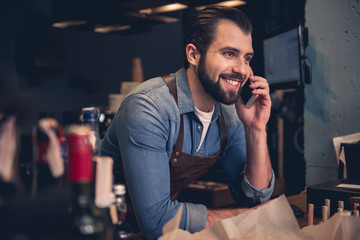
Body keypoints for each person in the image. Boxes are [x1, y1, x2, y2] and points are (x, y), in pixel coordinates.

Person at [101, 6, 274, 240]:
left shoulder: (229, 114)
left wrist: (256, 130)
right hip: (99, 225)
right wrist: (245, 217)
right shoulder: (148, 108)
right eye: (229, 54)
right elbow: (157, 221)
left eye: (247, 58)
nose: (242, 70)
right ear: (193, 55)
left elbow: (254, 198)